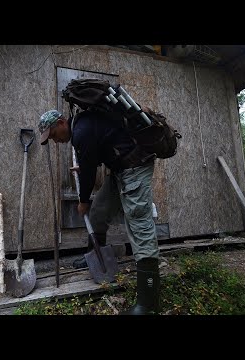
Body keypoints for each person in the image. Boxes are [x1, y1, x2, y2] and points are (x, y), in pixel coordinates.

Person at [39, 108, 161, 315]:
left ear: (61, 123)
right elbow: (103, 144)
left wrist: (83, 201)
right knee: (99, 211)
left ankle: (148, 304)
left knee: (139, 225)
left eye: (53, 135)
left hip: (136, 167)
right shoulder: (83, 127)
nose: (55, 141)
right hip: (120, 170)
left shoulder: (81, 131)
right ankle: (95, 255)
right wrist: (87, 165)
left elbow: (89, 172)